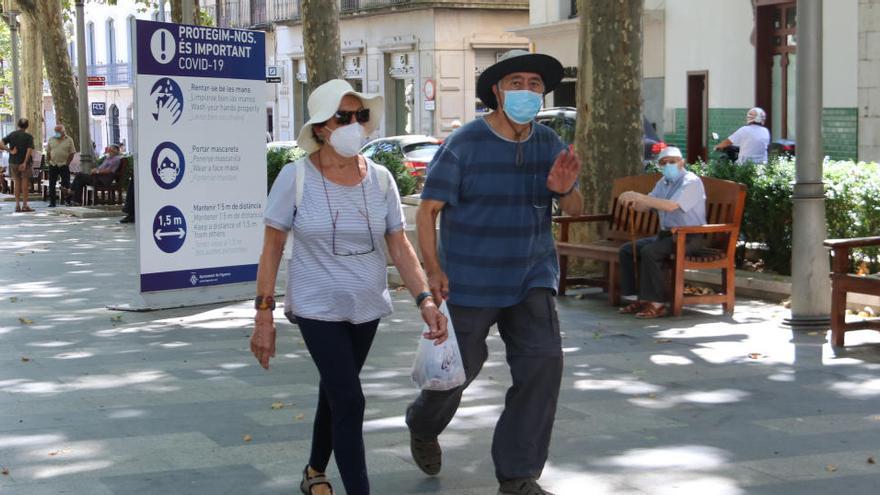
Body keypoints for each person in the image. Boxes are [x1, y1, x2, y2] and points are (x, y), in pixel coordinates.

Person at [250, 79, 448, 495]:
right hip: (315, 306)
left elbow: (399, 243)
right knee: (351, 398)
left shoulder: (380, 180)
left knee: (337, 392)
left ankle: (313, 472)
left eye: (360, 116)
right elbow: (270, 249)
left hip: (366, 306)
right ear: (321, 127)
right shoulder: (295, 177)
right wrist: (263, 315)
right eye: (343, 116)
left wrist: (425, 299)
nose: (354, 124)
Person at [405, 49, 583, 495]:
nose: (527, 91)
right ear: (497, 93)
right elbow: (427, 214)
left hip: (532, 277)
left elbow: (577, 208)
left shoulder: (549, 144)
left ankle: (518, 476)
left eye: (535, 84)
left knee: (543, 368)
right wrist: (433, 271)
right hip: (469, 280)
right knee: (456, 372)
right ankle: (422, 423)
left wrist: (563, 191)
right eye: (516, 82)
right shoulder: (464, 144)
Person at [617, 146, 707, 318]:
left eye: (672, 162)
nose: (668, 166)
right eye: (663, 163)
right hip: (667, 235)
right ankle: (639, 298)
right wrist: (633, 201)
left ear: (682, 162)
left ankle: (658, 303)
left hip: (689, 237)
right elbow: (647, 204)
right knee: (627, 249)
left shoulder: (691, 182)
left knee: (650, 252)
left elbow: (672, 206)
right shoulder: (663, 182)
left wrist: (640, 196)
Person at [0, 118, 36, 212]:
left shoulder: (12, 134)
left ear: (18, 125)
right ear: (27, 126)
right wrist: (24, 162)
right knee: (25, 185)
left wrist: (10, 151)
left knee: (17, 183)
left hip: (13, 162)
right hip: (25, 163)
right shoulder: (29, 136)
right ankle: (25, 205)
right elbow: (29, 150)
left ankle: (17, 205)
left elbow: (1, 143)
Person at [46, 124, 77, 207]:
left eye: (58, 132)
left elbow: (72, 152)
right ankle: (52, 202)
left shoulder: (69, 140)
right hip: (53, 164)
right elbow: (48, 152)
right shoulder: (51, 139)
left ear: (63, 132)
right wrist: (48, 161)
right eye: (56, 131)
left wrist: (67, 163)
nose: (57, 133)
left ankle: (67, 200)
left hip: (63, 164)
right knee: (52, 183)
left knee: (66, 183)